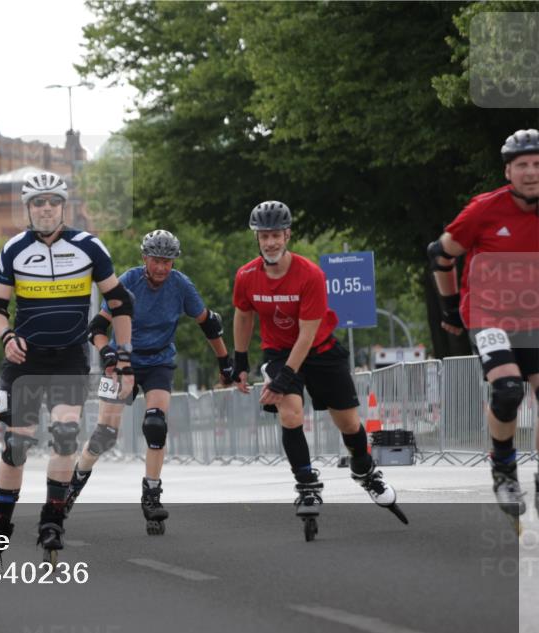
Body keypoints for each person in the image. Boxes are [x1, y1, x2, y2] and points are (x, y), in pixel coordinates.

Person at [0, 170, 135, 567]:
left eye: (52, 202)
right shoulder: (13, 249)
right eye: (38, 203)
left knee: (64, 434)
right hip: (25, 359)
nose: (45, 209)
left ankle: (52, 521)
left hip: (67, 357)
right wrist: (7, 337)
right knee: (16, 445)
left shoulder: (88, 247)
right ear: (28, 209)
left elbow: (120, 302)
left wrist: (123, 354)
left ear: (64, 206)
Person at [232, 201, 407, 540]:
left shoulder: (310, 274)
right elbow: (243, 314)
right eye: (264, 236)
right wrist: (240, 361)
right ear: (257, 237)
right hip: (279, 351)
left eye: (276, 236)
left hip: (320, 349)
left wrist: (283, 379)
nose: (270, 243)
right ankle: (307, 483)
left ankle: (364, 469)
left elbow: (308, 334)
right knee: (291, 414)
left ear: (287, 235)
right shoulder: (246, 275)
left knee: (349, 423)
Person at [63, 230, 234, 535]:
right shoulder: (128, 282)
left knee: (156, 425)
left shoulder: (181, 285)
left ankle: (151, 494)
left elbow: (209, 323)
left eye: (167, 262)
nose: (161, 268)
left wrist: (225, 363)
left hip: (158, 361)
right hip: (122, 360)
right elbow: (97, 328)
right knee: (104, 435)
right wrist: (109, 356)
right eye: (156, 261)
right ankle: (73, 484)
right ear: (145, 259)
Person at [427, 128, 539, 521]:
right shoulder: (484, 209)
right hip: (490, 316)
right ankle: (504, 469)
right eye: (522, 165)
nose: (530, 172)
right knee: (508, 391)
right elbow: (440, 254)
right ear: (508, 172)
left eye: (537, 164)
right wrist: (449, 308)